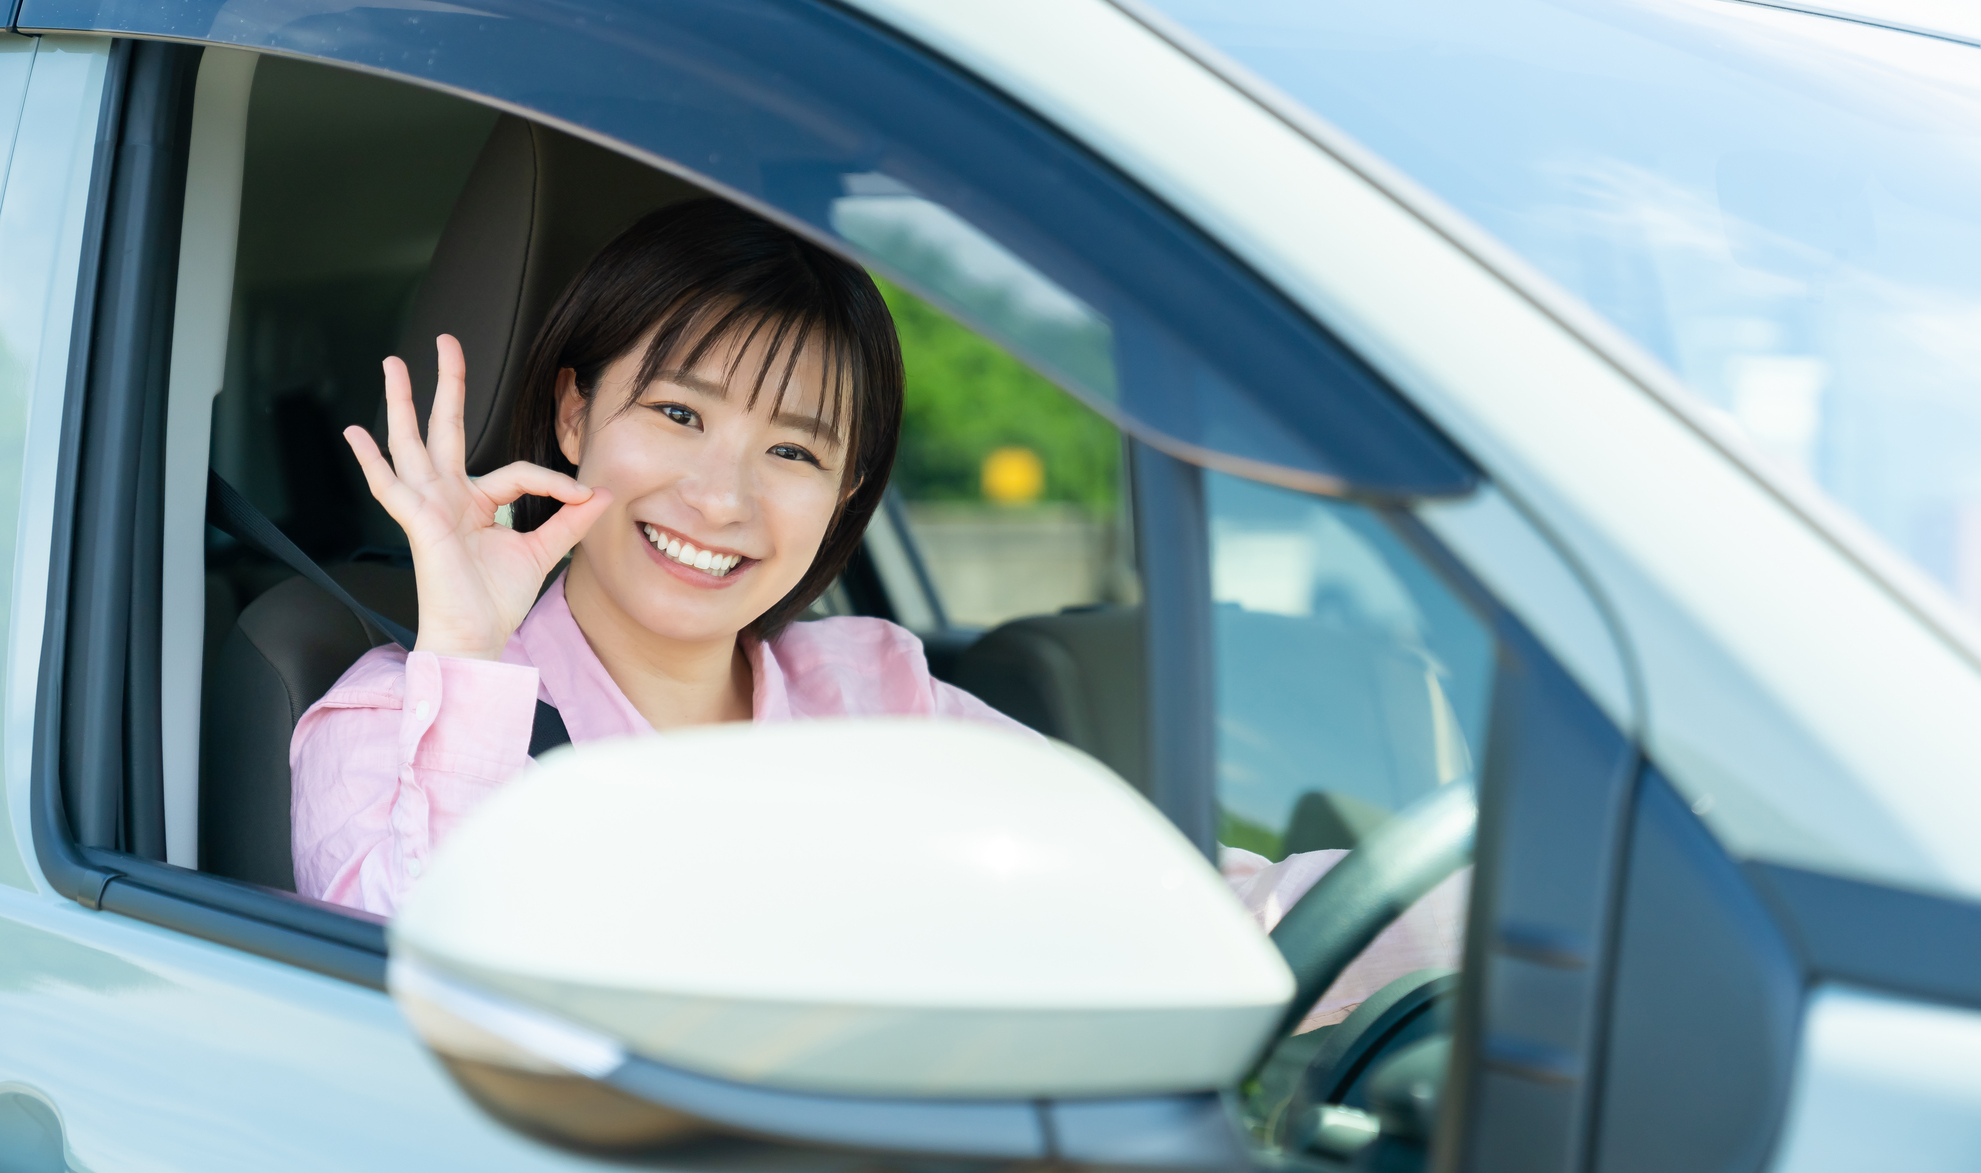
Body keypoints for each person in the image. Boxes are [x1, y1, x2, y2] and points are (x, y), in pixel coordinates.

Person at [291, 198, 1461, 1030]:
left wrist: (1504, 906)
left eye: (793, 450)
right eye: (680, 415)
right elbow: (399, 1025)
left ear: (847, 489)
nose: (722, 497)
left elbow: (1170, 907)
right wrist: (468, 652)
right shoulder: (394, 719)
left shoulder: (878, 695)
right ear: (572, 412)